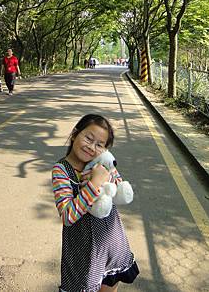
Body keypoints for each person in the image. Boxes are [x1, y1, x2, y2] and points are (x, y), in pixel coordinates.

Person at [52, 114, 139, 292]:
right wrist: (94, 184)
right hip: (83, 253)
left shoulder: (103, 165)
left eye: (99, 145)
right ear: (75, 134)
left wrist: (108, 175)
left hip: (111, 243)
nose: (92, 147)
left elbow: (117, 190)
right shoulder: (61, 170)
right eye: (88, 138)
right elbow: (68, 216)